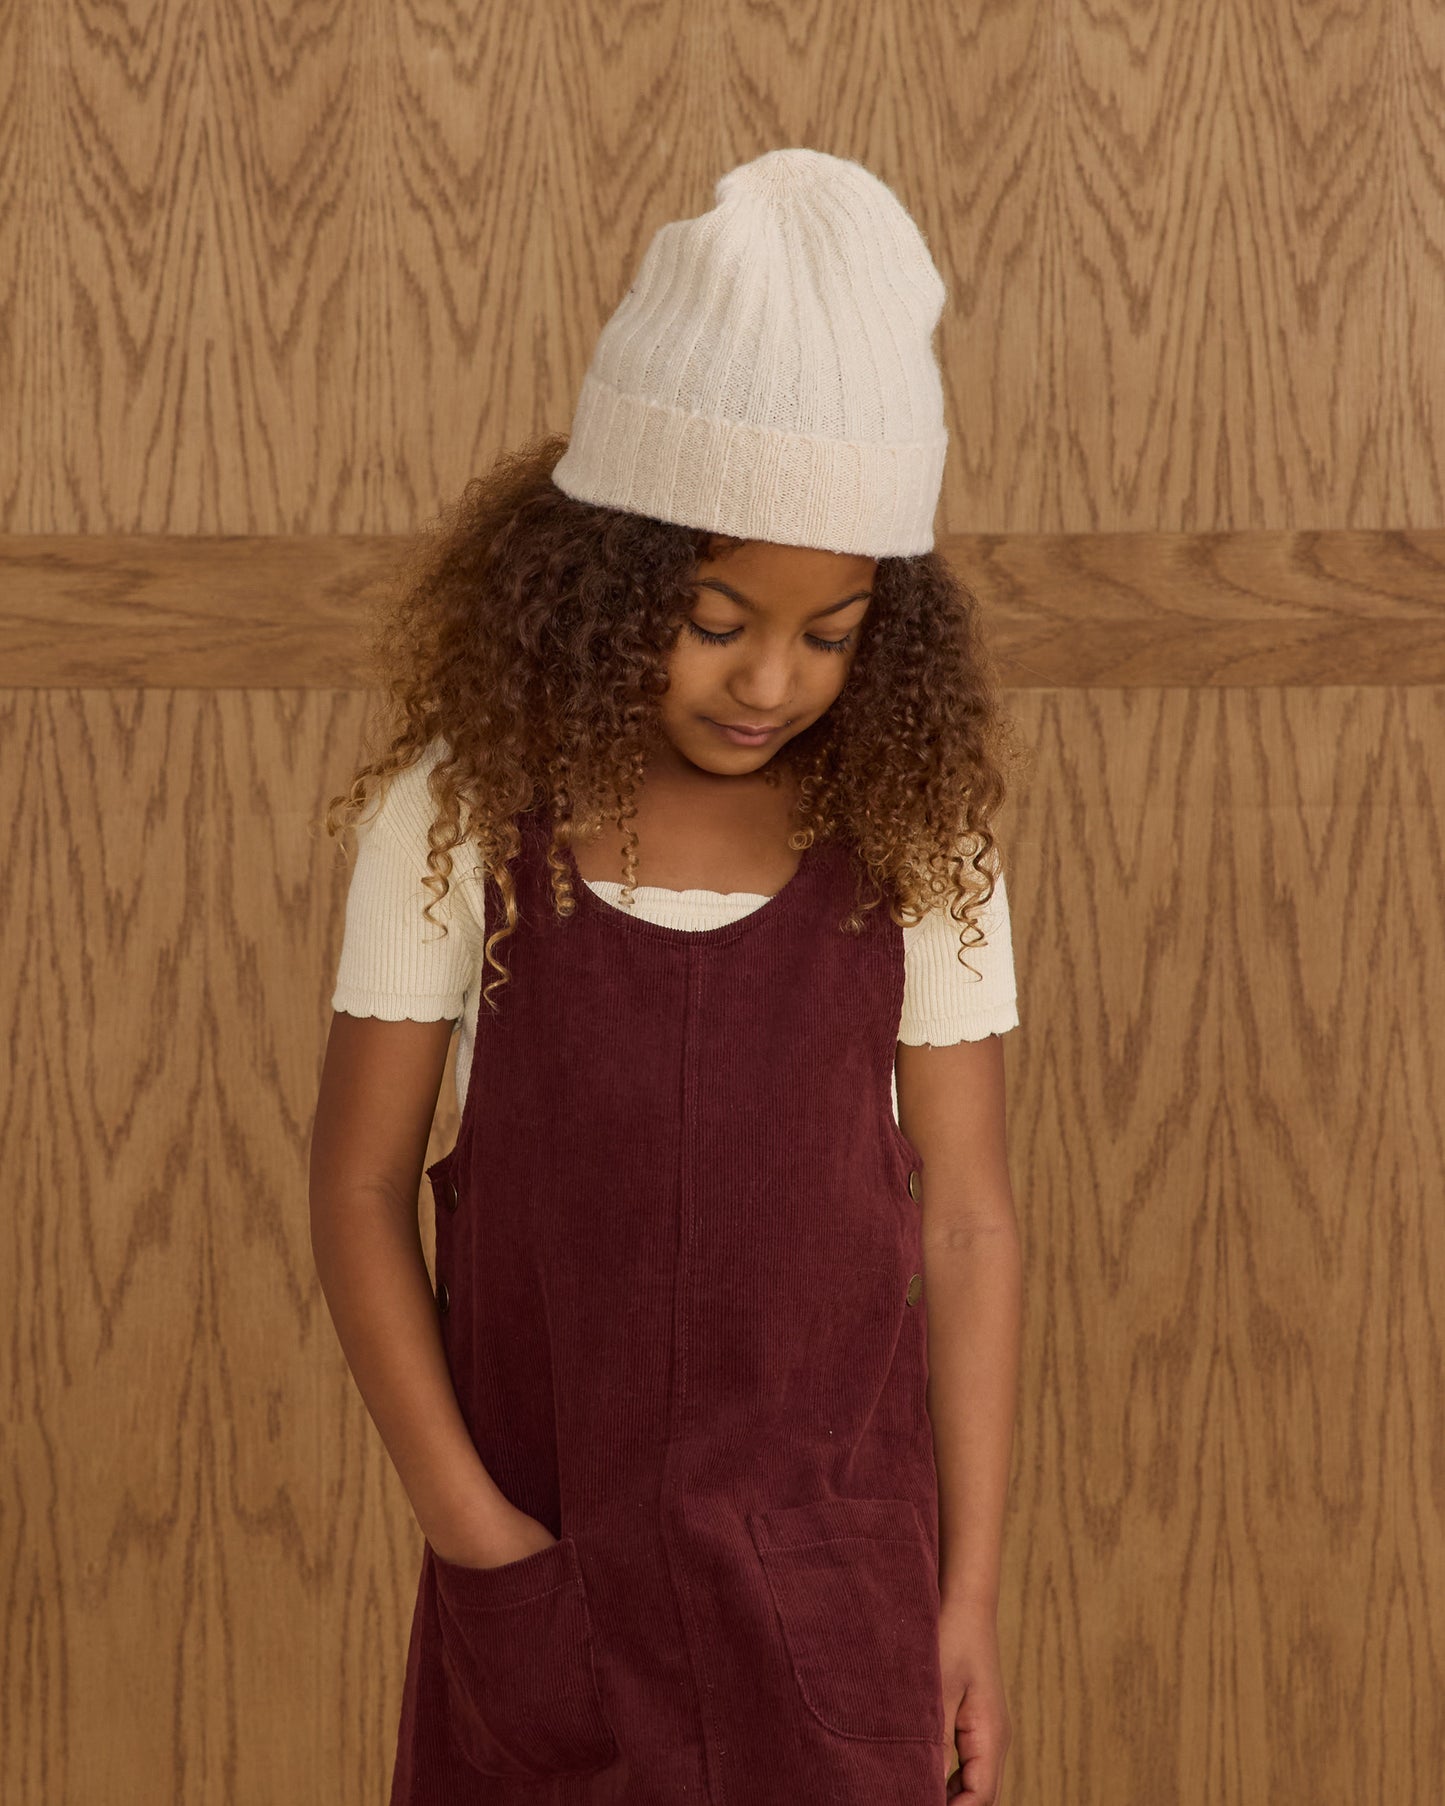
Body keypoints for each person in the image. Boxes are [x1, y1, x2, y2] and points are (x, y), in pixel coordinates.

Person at [310, 146, 1026, 1806]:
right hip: (547, 1581)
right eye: (714, 618)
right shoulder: (460, 815)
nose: (770, 679)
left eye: (831, 632)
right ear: (605, 578)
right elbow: (356, 1188)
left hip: (843, 1601)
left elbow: (970, 1217)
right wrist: (475, 1538)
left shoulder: (918, 836)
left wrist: (965, 1598)